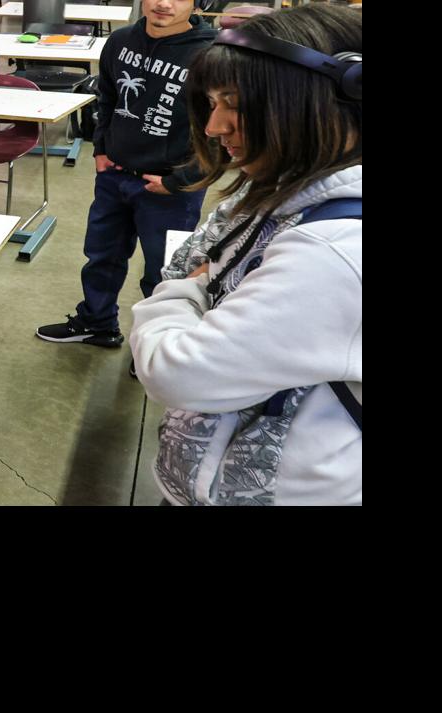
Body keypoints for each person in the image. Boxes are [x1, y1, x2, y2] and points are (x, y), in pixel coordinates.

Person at [130, 2, 362, 505]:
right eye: (212, 103)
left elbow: (178, 372)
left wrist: (184, 292)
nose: (214, 127)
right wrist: (193, 279)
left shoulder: (333, 251)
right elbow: (189, 252)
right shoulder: (279, 188)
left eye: (233, 102)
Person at [35, 0, 212, 350]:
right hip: (115, 176)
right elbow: (108, 96)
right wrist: (100, 149)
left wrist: (180, 180)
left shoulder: (211, 55)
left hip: (170, 188)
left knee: (165, 272)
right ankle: (98, 323)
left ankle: (157, 345)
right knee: (101, 256)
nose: (163, 3)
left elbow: (221, 130)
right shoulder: (120, 41)